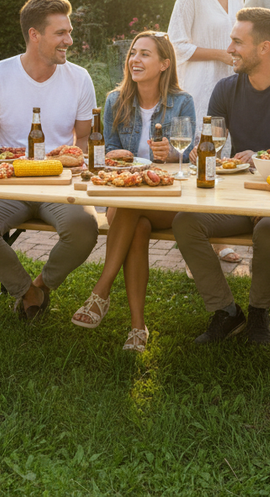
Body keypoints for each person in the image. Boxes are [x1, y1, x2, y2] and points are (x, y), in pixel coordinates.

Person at [173, 7, 270, 346]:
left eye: (238, 42)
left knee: (268, 229)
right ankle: (225, 311)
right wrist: (201, 152)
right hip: (240, 196)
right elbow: (212, 143)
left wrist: (262, 157)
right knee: (185, 222)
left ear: (264, 48)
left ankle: (258, 313)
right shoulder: (225, 89)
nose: (231, 49)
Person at [0, 0, 99, 320]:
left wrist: (74, 158)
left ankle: (42, 285)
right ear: (34, 35)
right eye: (61, 33)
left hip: (61, 182)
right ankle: (27, 291)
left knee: (84, 228)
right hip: (11, 179)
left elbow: (83, 136)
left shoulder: (79, 78)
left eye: (69, 31)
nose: (70, 40)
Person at [70, 31, 196, 352]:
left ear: (164, 64)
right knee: (134, 221)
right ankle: (138, 328)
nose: (135, 60)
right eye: (133, 54)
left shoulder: (183, 102)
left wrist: (174, 153)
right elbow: (108, 148)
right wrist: (114, 155)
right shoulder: (116, 100)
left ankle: (101, 293)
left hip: (165, 198)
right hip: (126, 193)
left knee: (129, 208)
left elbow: (192, 153)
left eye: (145, 54)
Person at [168, 0, 248, 265]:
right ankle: (194, 240)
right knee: (201, 155)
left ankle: (216, 234)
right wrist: (218, 53)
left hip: (232, 85)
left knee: (223, 156)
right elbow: (175, 43)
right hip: (200, 85)